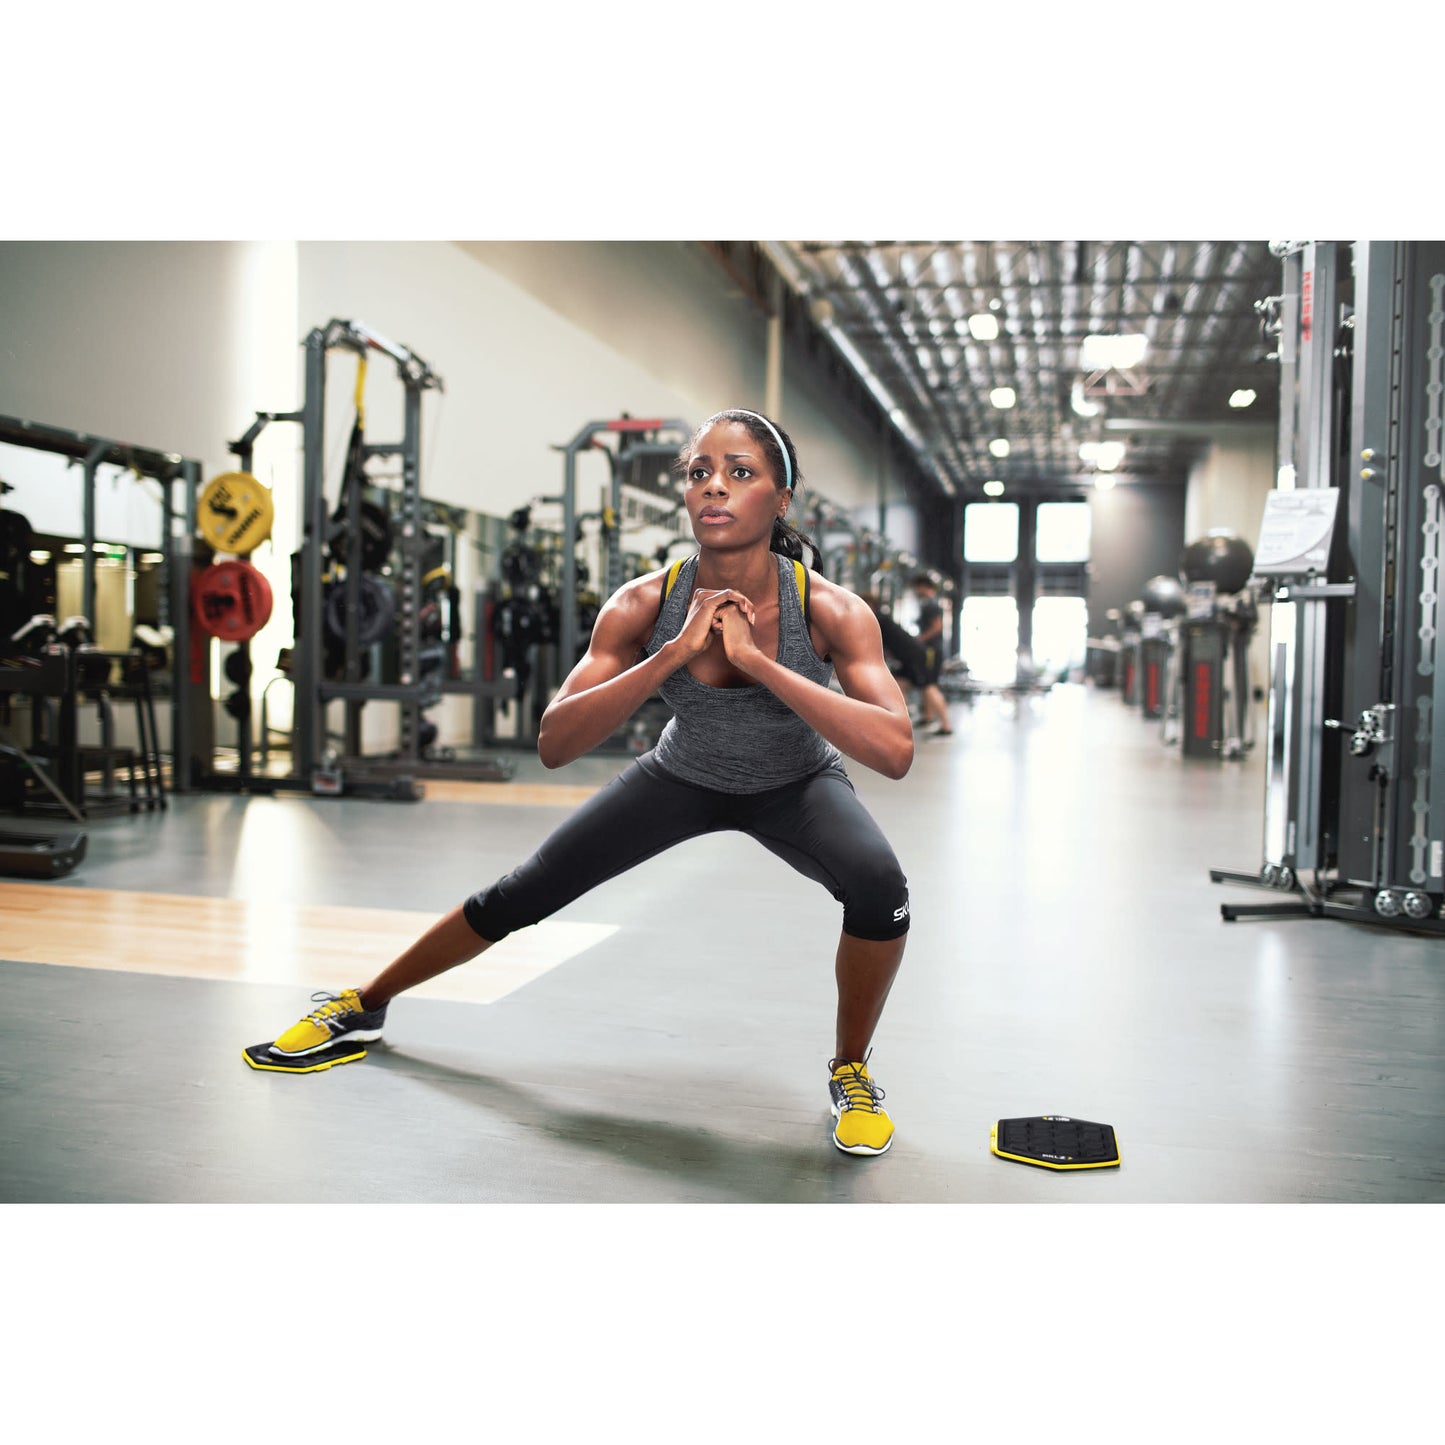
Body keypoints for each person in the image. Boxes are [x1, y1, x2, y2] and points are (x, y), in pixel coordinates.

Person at [250, 409, 916, 1157]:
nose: (714, 489)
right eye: (698, 473)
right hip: (682, 773)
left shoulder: (828, 609)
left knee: (878, 884)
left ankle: (850, 1068)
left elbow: (893, 749)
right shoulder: (640, 604)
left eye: (740, 472)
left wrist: (761, 664)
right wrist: (668, 656)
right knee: (520, 893)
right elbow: (554, 742)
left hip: (793, 782)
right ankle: (362, 1004)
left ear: (781, 499)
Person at [909, 575, 953, 736]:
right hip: (930, 649)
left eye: (917, 587)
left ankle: (946, 727)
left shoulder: (932, 604)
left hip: (931, 651)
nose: (915, 591)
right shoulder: (929, 603)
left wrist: (919, 639)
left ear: (923, 586)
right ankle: (928, 717)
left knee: (929, 685)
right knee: (925, 685)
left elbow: (937, 627)